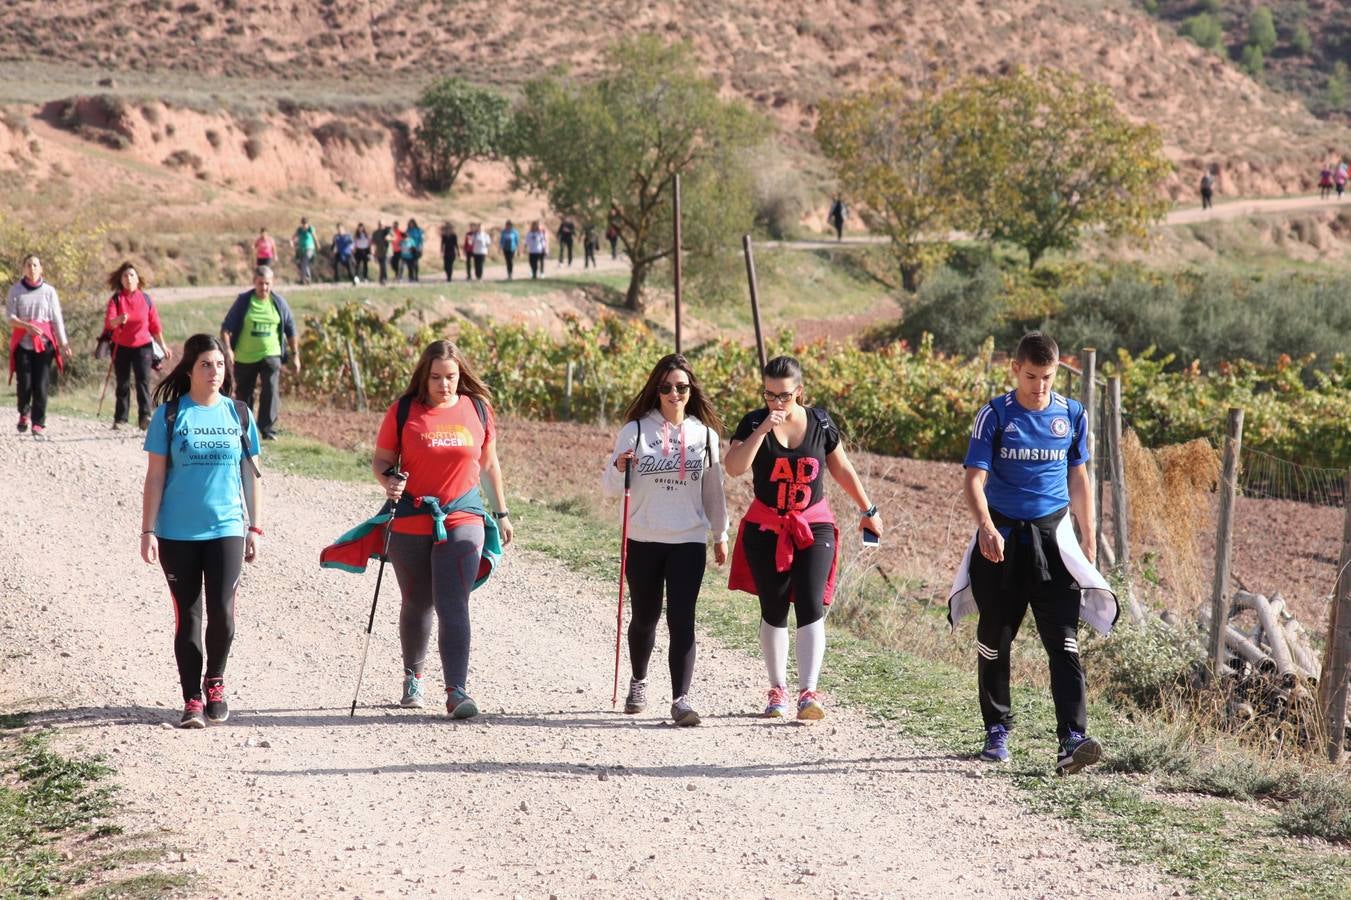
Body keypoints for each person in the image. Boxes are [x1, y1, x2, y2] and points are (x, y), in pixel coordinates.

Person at [947, 331, 1116, 775]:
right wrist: (985, 526)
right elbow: (973, 480)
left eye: (1047, 376)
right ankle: (997, 729)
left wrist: (1089, 533)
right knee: (994, 640)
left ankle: (1072, 739)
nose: (1039, 385)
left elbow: (1079, 476)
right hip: (1001, 540)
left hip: (1053, 543)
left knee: (1064, 642)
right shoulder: (995, 415)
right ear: (1014, 369)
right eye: (1031, 376)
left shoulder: (1072, 414)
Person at [724, 356, 881, 721]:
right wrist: (762, 430)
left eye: (784, 396)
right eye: (769, 395)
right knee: (774, 607)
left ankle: (808, 692)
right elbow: (733, 468)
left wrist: (868, 510)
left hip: (814, 525)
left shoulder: (820, 422)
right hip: (766, 527)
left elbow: (841, 468)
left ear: (800, 392)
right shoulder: (752, 421)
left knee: (811, 602)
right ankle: (776, 690)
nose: (777, 403)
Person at [372, 340, 514, 718]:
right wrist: (390, 481)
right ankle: (413, 677)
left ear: (460, 376)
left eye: (451, 377)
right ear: (425, 376)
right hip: (411, 516)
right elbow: (383, 459)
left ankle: (457, 691)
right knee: (417, 601)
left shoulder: (478, 410)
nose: (444, 385)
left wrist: (501, 513)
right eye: (436, 377)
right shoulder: (404, 411)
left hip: (464, 517)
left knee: (454, 602)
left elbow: (489, 464)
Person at [141, 333, 262, 728]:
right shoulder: (171, 415)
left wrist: (254, 528)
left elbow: (251, 474)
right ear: (190, 370)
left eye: (220, 364)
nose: (214, 372)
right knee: (188, 617)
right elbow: (155, 477)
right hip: (177, 533)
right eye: (206, 365)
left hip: (227, 527)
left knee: (224, 613)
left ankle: (216, 681)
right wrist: (148, 531)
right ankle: (191, 697)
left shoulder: (239, 414)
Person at [604, 354, 728, 726]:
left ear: (692, 390)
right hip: (643, 538)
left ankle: (681, 700)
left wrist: (720, 534)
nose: (675, 394)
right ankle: (638, 681)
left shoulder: (705, 436)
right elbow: (609, 487)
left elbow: (714, 491)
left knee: (682, 619)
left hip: (688, 540)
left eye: (682, 387)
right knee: (645, 617)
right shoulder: (635, 431)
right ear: (656, 390)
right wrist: (619, 467)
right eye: (667, 387)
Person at [219, 266, 300, 441]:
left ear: (273, 283)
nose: (264, 288)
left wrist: (295, 354)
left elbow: (291, 329)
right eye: (261, 283)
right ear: (254, 282)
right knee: (244, 393)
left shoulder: (279, 303)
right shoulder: (244, 301)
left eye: (267, 284)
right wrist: (228, 350)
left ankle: (267, 428)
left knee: (270, 390)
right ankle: (245, 428)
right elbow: (226, 328)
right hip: (245, 356)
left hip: (271, 354)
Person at [104, 261, 171, 431]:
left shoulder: (146, 299)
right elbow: (109, 323)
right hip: (121, 346)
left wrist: (163, 345)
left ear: (137, 279)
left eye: (131, 275)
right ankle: (120, 418)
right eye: (125, 276)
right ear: (120, 280)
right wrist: (119, 320)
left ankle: (145, 417)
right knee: (123, 383)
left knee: (143, 382)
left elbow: (155, 325)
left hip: (143, 346)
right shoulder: (117, 299)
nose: (128, 278)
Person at [7, 254, 69, 438]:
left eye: (35, 265)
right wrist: (26, 326)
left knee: (41, 384)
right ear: (23, 269)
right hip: (23, 343)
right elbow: (9, 317)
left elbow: (56, 318)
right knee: (24, 383)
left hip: (44, 344)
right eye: (28, 265)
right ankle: (24, 413)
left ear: (41, 269)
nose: (32, 268)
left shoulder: (49, 291)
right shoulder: (16, 291)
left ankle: (38, 422)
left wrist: (63, 342)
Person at [291, 218, 317, 284]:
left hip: (310, 248)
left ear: (307, 223)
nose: (304, 225)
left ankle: (303, 279)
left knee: (304, 262)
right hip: (301, 249)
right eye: (303, 223)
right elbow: (294, 237)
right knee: (304, 264)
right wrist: (292, 242)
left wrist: (317, 244)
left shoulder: (310, 229)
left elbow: (314, 236)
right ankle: (307, 279)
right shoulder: (299, 230)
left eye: (305, 223)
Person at [372, 221, 391, 285]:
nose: (380, 225)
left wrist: (389, 238)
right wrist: (373, 252)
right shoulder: (375, 233)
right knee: (381, 265)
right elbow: (373, 243)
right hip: (379, 251)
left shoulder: (387, 231)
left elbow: (395, 238)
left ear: (384, 225)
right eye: (379, 224)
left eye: (382, 224)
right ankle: (382, 278)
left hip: (386, 251)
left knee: (384, 265)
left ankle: (384, 279)